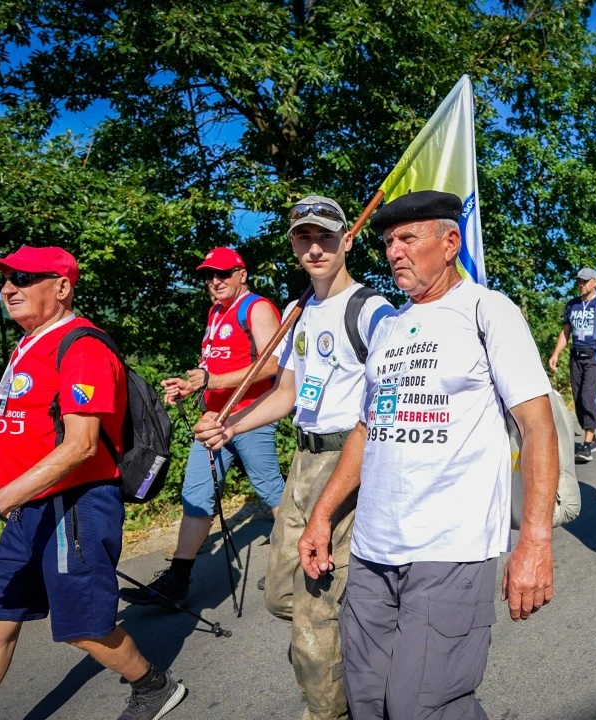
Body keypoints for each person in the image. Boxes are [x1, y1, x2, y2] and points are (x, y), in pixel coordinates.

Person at [295, 191, 558, 720]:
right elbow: (367, 428)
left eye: (408, 238)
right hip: (372, 550)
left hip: (451, 547)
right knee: (368, 701)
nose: (394, 251)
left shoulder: (487, 310)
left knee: (424, 707)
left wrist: (535, 541)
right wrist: (321, 516)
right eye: (389, 241)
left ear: (450, 242)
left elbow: (537, 427)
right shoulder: (388, 325)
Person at [0, 246, 186, 720]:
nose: (8, 288)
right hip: (26, 505)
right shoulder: (30, 343)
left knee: (83, 627)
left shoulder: (82, 346)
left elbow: (81, 445)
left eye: (23, 278)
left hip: (74, 504)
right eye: (4, 280)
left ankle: (154, 686)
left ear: (62, 287)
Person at [194, 197, 392, 720]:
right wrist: (230, 426)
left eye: (326, 236)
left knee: (314, 611)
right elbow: (286, 393)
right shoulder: (296, 311)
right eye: (304, 237)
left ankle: (328, 710)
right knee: (282, 595)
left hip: (348, 462)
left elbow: (389, 404)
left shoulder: (372, 311)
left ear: (347, 239)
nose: (315, 248)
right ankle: (356, 654)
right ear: (293, 245)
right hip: (304, 462)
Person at [122, 247, 285, 607]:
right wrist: (189, 385)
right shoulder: (215, 312)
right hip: (212, 420)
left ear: (242, 274)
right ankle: (176, 582)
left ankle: (294, 565)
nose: (215, 281)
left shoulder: (255, 307)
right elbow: (213, 366)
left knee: (270, 489)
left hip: (250, 415)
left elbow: (274, 364)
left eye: (223, 273)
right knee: (196, 494)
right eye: (209, 275)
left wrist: (213, 381)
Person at [548, 268, 596, 462]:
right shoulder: (573, 305)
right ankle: (593, 437)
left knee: (588, 397)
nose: (581, 285)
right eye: (579, 281)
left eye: (585, 281)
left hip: (594, 357)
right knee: (578, 401)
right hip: (576, 357)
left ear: (595, 282)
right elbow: (566, 332)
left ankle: (587, 445)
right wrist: (556, 354)